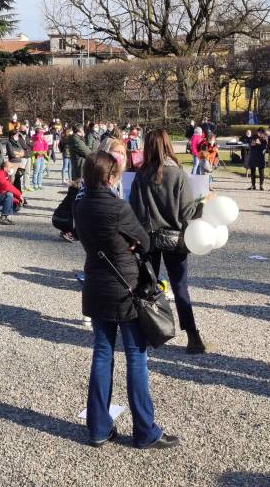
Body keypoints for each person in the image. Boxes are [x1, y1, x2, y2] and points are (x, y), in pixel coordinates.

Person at [75, 151, 178, 450]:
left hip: (96, 282)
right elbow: (144, 242)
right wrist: (130, 241)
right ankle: (145, 429)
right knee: (136, 356)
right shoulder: (117, 207)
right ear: (110, 177)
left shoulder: (81, 205)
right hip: (125, 285)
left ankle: (97, 428)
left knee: (102, 354)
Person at [129, 128, 206, 354]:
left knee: (147, 286)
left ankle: (147, 330)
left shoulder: (141, 175)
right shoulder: (178, 174)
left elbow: (135, 210)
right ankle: (192, 335)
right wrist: (203, 203)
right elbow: (186, 212)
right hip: (175, 237)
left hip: (149, 237)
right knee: (180, 286)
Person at [30, 125, 49, 190]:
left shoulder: (42, 137)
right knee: (36, 171)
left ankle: (39, 184)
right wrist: (40, 133)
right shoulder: (34, 136)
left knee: (41, 171)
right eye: (39, 130)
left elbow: (46, 144)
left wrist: (45, 150)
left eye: (41, 130)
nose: (40, 131)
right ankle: (35, 184)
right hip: (36, 156)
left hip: (42, 156)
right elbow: (37, 137)